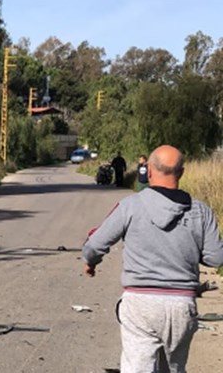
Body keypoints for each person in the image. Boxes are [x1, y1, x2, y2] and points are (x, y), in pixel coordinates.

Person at [82, 145, 223, 373]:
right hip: (182, 305)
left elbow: (96, 244)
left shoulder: (131, 206)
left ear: (147, 170)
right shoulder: (201, 211)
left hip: (140, 304)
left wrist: (91, 262)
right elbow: (216, 257)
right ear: (182, 172)